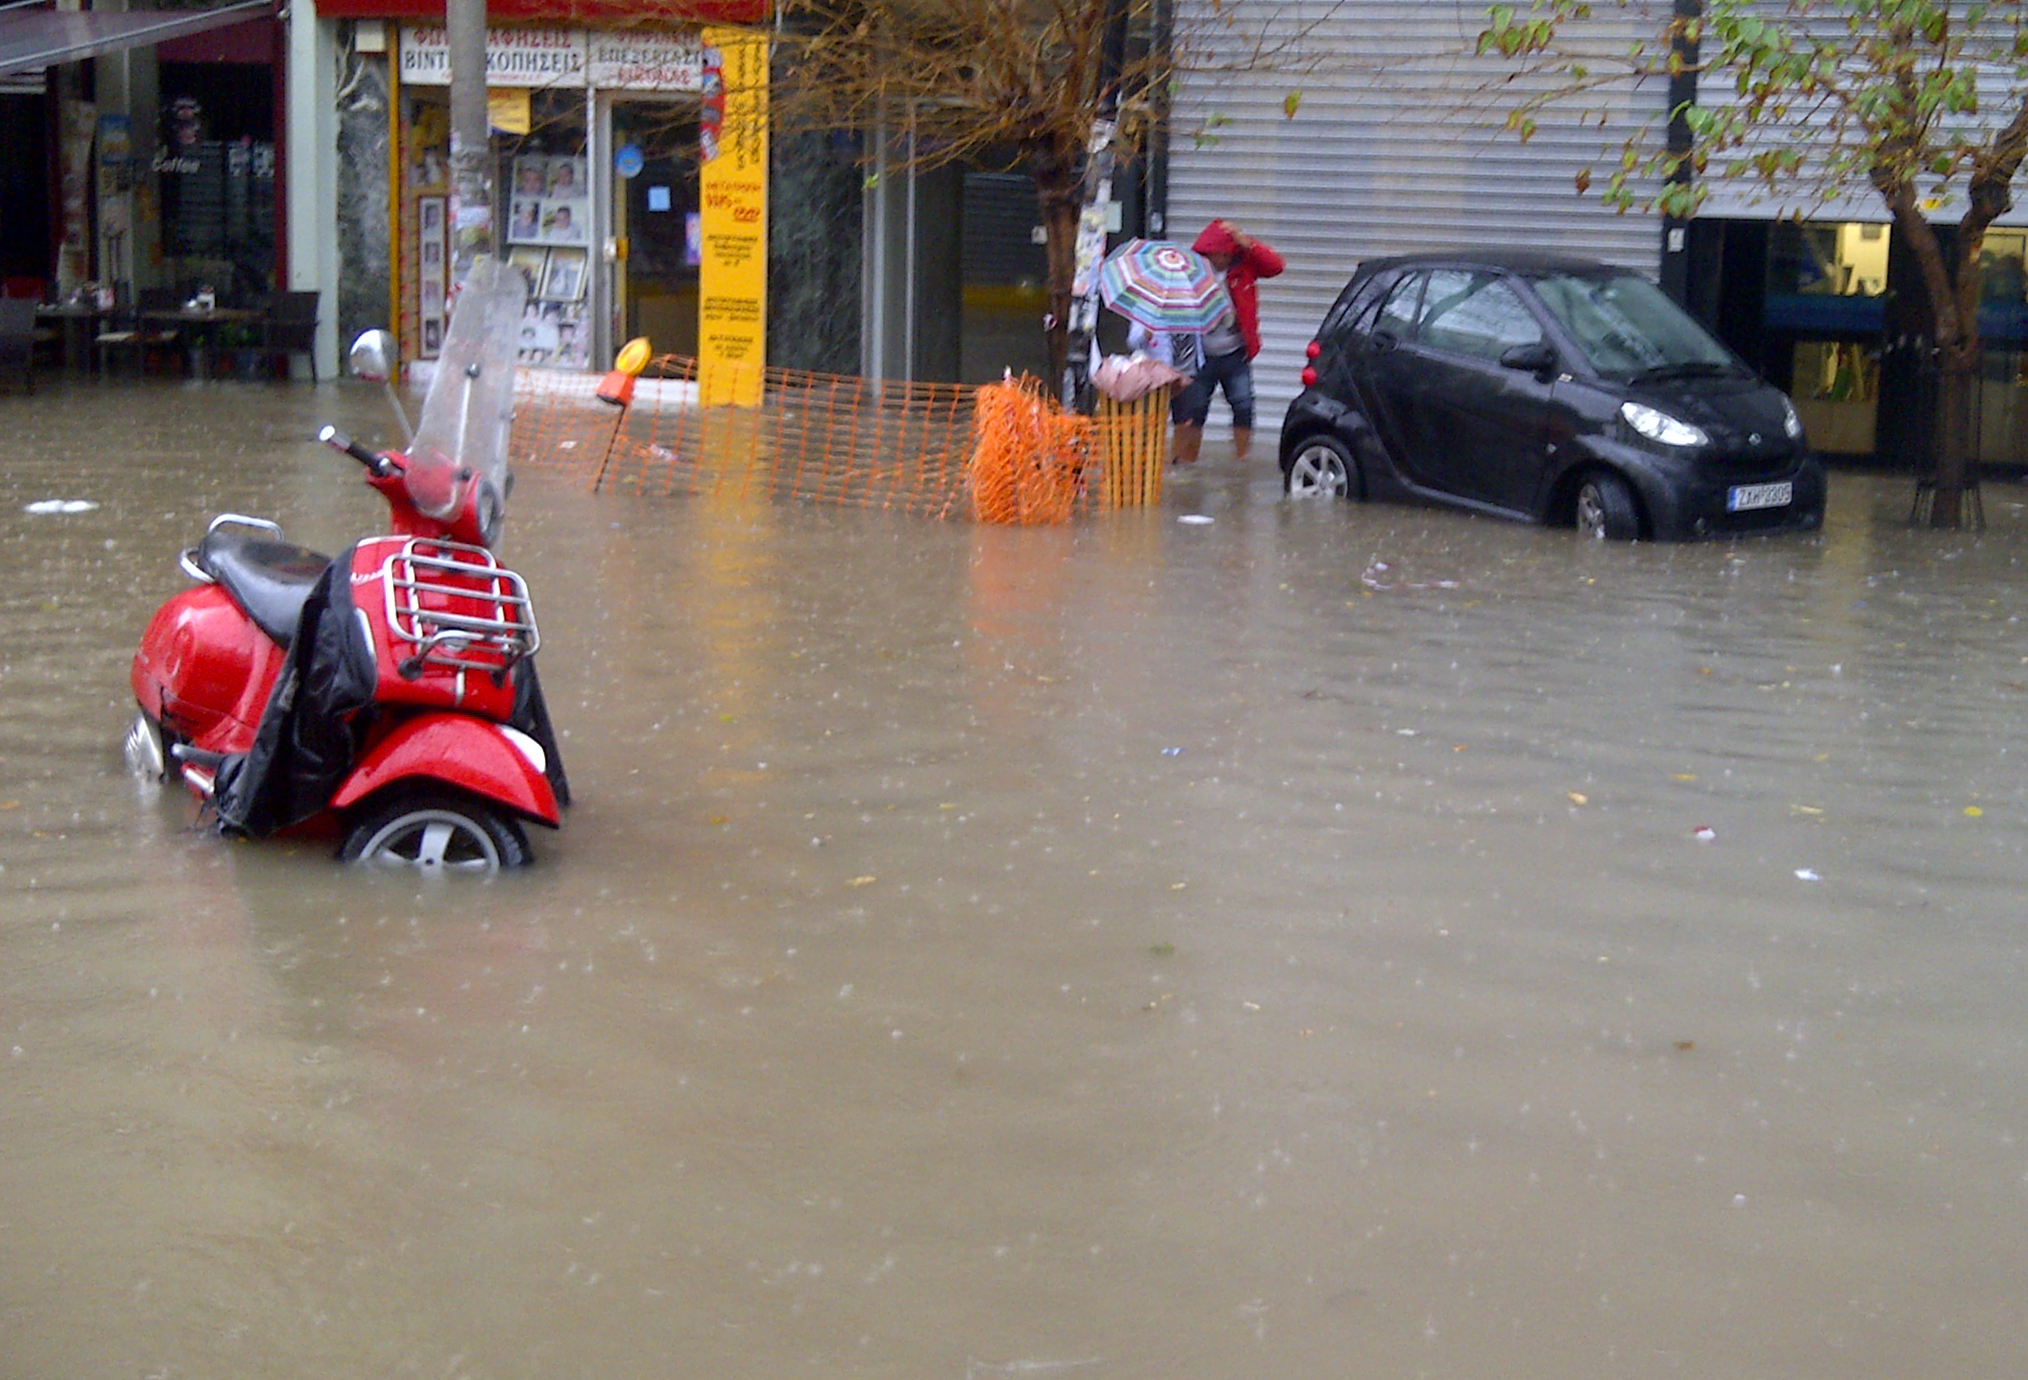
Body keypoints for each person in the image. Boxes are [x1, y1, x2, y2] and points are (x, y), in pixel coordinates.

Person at [1176, 219, 1284, 465]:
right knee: (1194, 411)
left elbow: (1276, 266)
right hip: (1201, 355)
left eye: (1227, 253)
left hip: (1235, 353)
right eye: (1218, 253)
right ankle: (1187, 461)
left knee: (1244, 405)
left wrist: (1248, 243)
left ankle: (1242, 461)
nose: (1223, 258)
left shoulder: (1243, 267)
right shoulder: (1191, 271)